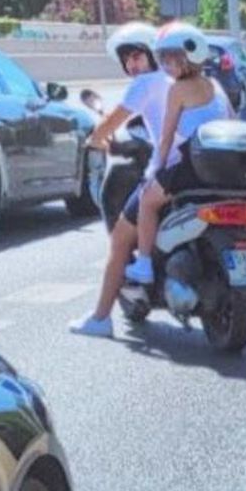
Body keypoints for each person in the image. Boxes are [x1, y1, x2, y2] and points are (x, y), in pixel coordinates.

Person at [68, 22, 169, 340]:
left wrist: (93, 140)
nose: (132, 65)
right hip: (196, 166)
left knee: (120, 239)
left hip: (165, 170)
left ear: (153, 55)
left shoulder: (145, 84)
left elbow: (113, 120)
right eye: (127, 60)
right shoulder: (176, 81)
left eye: (137, 56)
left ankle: (100, 318)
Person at [125, 22, 230, 287]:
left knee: (147, 200)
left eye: (171, 59)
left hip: (194, 166)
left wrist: (153, 170)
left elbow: (166, 135)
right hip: (224, 167)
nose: (165, 66)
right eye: (162, 59)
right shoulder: (215, 85)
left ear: (187, 59)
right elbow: (233, 119)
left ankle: (145, 264)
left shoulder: (177, 89)